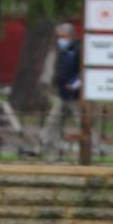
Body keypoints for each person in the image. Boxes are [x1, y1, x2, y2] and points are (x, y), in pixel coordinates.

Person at [38, 22, 82, 151]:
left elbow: (84, 71)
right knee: (52, 120)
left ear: (70, 35)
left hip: (76, 94)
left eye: (62, 36)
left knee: (82, 121)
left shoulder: (79, 48)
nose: (60, 39)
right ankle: (45, 144)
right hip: (62, 93)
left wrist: (75, 84)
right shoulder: (63, 50)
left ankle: (92, 147)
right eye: (59, 37)